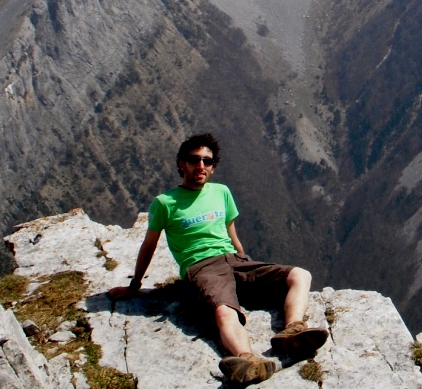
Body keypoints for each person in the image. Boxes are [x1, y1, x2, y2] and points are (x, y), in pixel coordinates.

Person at [109, 133, 328, 386]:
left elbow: (230, 232)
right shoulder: (164, 203)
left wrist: (246, 262)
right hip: (201, 269)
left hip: (234, 260)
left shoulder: (221, 192)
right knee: (224, 313)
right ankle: (247, 359)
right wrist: (135, 285)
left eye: (207, 161)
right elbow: (149, 245)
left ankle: (293, 330)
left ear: (213, 167)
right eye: (195, 160)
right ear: (182, 164)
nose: (201, 166)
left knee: (300, 275)